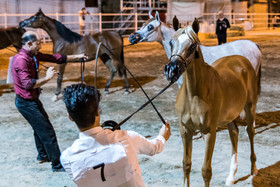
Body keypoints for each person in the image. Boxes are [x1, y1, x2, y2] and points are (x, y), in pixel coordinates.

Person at [61, 83, 171, 187]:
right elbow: (154, 148)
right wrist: (162, 136)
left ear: (70, 117)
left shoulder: (67, 159)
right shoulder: (126, 137)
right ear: (98, 111)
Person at [12, 30, 86, 172]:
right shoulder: (21, 60)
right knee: (48, 132)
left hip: (32, 100)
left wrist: (78, 57)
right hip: (26, 103)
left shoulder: (32, 54)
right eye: (38, 43)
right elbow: (28, 84)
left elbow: (54, 57)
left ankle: (43, 155)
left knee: (38, 128)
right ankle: (57, 165)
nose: (40, 46)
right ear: (29, 43)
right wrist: (48, 77)